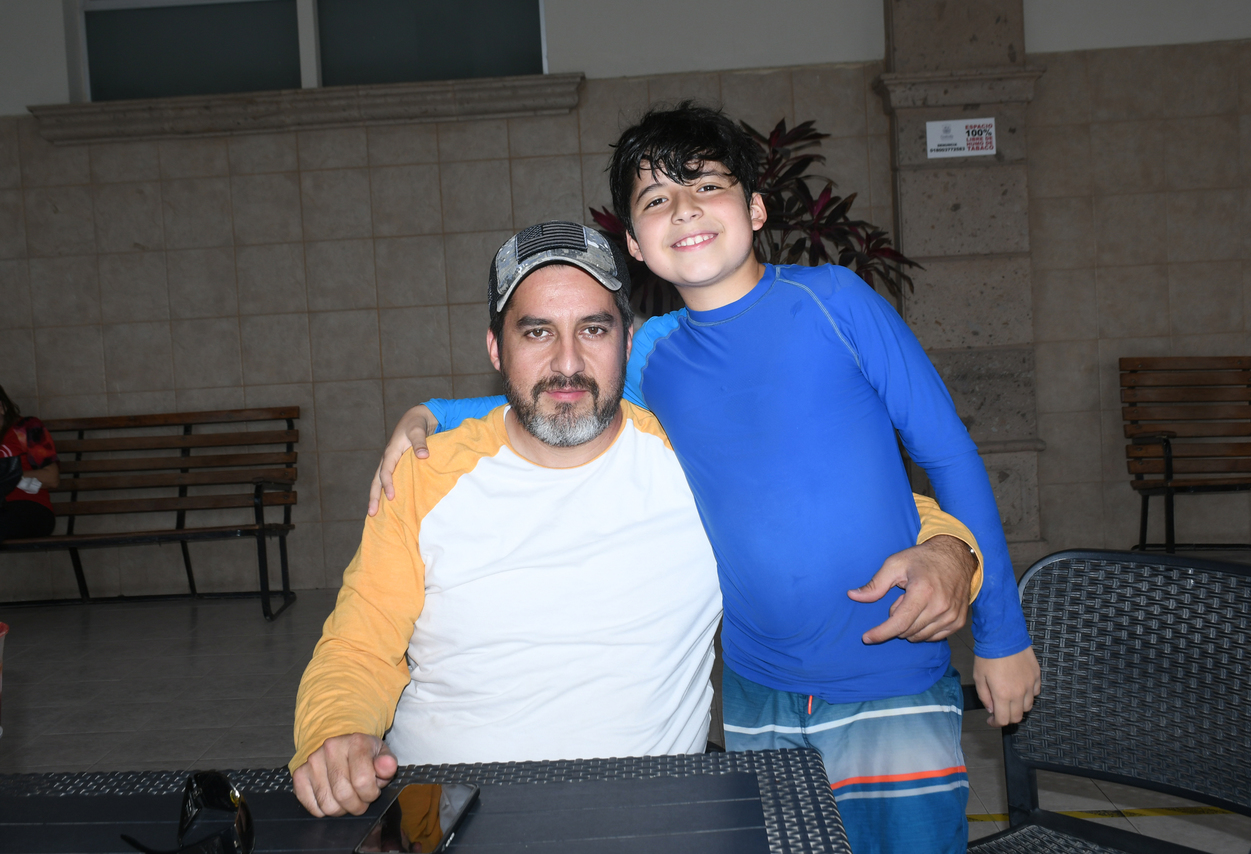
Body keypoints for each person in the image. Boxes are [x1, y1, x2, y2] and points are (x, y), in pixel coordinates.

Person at [373, 104, 1041, 854]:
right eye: (657, 198)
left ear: (755, 209)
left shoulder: (838, 302)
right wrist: (433, 412)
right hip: (756, 691)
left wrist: (1002, 635)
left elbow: (949, 457)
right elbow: (564, 393)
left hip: (887, 669)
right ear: (634, 243)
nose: (684, 210)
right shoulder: (653, 353)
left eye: (708, 187)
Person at [291, 222, 984, 820]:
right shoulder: (425, 475)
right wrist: (336, 730)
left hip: (644, 817)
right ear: (496, 350)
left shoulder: (689, 455)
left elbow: (845, 507)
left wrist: (948, 547)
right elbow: (360, 643)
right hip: (447, 809)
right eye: (537, 332)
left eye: (593, 329)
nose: (567, 363)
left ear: (628, 340)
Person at [0, 386, 59, 542]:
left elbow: (52, 478)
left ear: (2, 407)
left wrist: (8, 475)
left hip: (29, 507)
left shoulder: (26, 427)